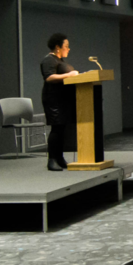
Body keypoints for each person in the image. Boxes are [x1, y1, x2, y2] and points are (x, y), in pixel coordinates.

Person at [40, 33, 79, 171]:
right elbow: (49, 77)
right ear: (58, 47)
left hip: (63, 99)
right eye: (66, 46)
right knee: (56, 128)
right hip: (53, 100)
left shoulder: (61, 60)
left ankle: (60, 157)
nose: (68, 49)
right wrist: (69, 75)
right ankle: (52, 160)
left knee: (62, 128)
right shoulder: (49, 60)